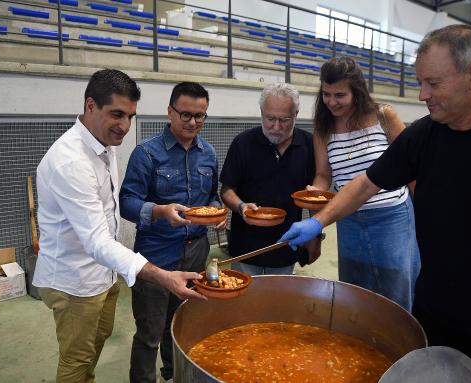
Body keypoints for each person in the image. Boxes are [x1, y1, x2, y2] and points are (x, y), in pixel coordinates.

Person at [279, 25, 471, 381]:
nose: (422, 95)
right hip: (437, 305)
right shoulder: (425, 134)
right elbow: (366, 183)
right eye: (420, 83)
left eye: (433, 84)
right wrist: (317, 222)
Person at [32, 70, 206, 383]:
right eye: (116, 114)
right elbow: (98, 240)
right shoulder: (71, 162)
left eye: (130, 116)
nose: (125, 126)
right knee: (76, 362)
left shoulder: (103, 145)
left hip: (103, 273)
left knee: (93, 350)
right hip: (75, 282)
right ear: (90, 106)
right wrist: (161, 274)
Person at [119, 82, 225, 383]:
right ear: (170, 112)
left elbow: (212, 197)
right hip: (156, 255)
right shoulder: (146, 153)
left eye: (200, 116)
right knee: (150, 333)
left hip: (195, 253)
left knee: (180, 325)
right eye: (186, 114)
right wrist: (158, 211)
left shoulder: (208, 153)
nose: (193, 122)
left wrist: (218, 212)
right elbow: (126, 203)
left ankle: (172, 374)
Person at [307, 56, 420, 311]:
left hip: (391, 218)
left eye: (340, 95)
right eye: (326, 94)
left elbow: (411, 167)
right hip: (349, 219)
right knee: (355, 289)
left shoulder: (383, 116)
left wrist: (425, 211)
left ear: (356, 92)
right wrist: (315, 195)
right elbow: (324, 175)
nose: (332, 102)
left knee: (395, 289)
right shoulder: (323, 128)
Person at [219, 83, 318, 276]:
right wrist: (241, 206)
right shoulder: (243, 143)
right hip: (245, 247)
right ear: (262, 112)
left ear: (296, 114)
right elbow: (227, 190)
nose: (276, 127)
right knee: (243, 302)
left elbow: (314, 196)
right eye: (270, 118)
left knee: (277, 303)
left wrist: (316, 235)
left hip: (286, 246)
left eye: (284, 120)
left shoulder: (309, 145)